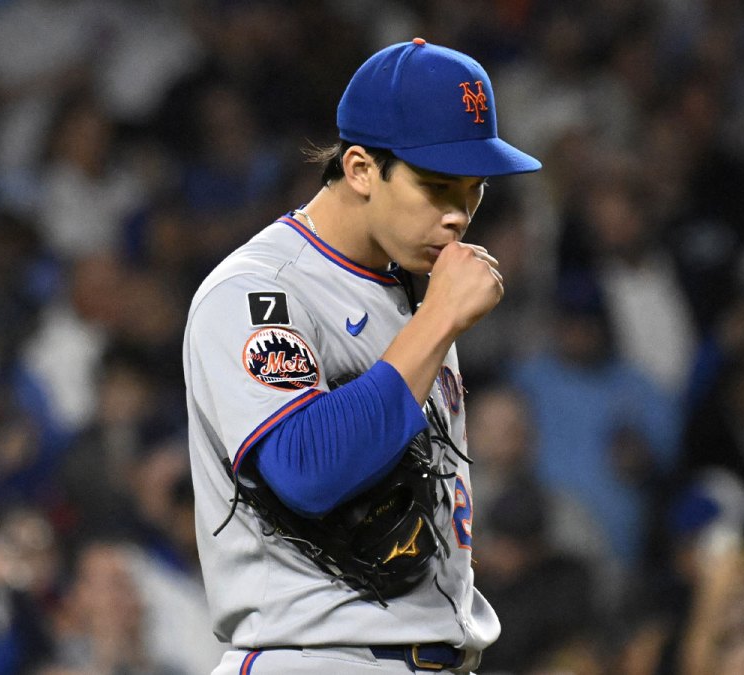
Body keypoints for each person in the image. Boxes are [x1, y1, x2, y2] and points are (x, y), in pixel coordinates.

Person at [182, 38, 540, 674]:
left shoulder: (406, 290)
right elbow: (305, 469)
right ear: (359, 169)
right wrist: (438, 320)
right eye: (436, 186)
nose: (460, 215)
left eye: (473, 189)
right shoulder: (262, 289)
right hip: (318, 656)